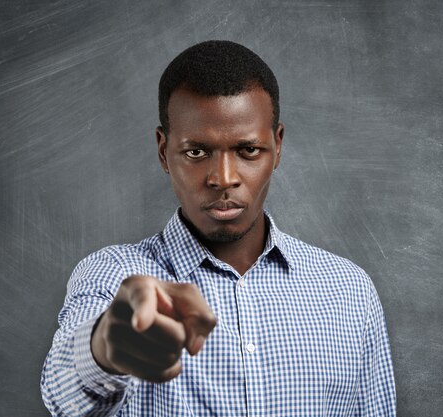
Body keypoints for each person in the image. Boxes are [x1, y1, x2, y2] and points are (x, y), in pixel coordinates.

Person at [41, 40, 396, 416]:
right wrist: (107, 344)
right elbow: (63, 395)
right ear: (164, 151)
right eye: (197, 152)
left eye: (247, 151)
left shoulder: (350, 291)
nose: (223, 179)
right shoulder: (113, 278)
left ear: (277, 146)